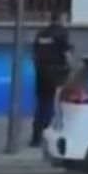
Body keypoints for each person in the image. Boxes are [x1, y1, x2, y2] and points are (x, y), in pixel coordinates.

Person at [30, 12, 72, 147]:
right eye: (66, 19)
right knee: (52, 104)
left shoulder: (41, 33)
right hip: (55, 72)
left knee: (42, 103)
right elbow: (66, 54)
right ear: (61, 20)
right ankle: (45, 133)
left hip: (41, 72)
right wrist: (71, 68)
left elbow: (34, 54)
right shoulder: (62, 33)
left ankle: (36, 136)